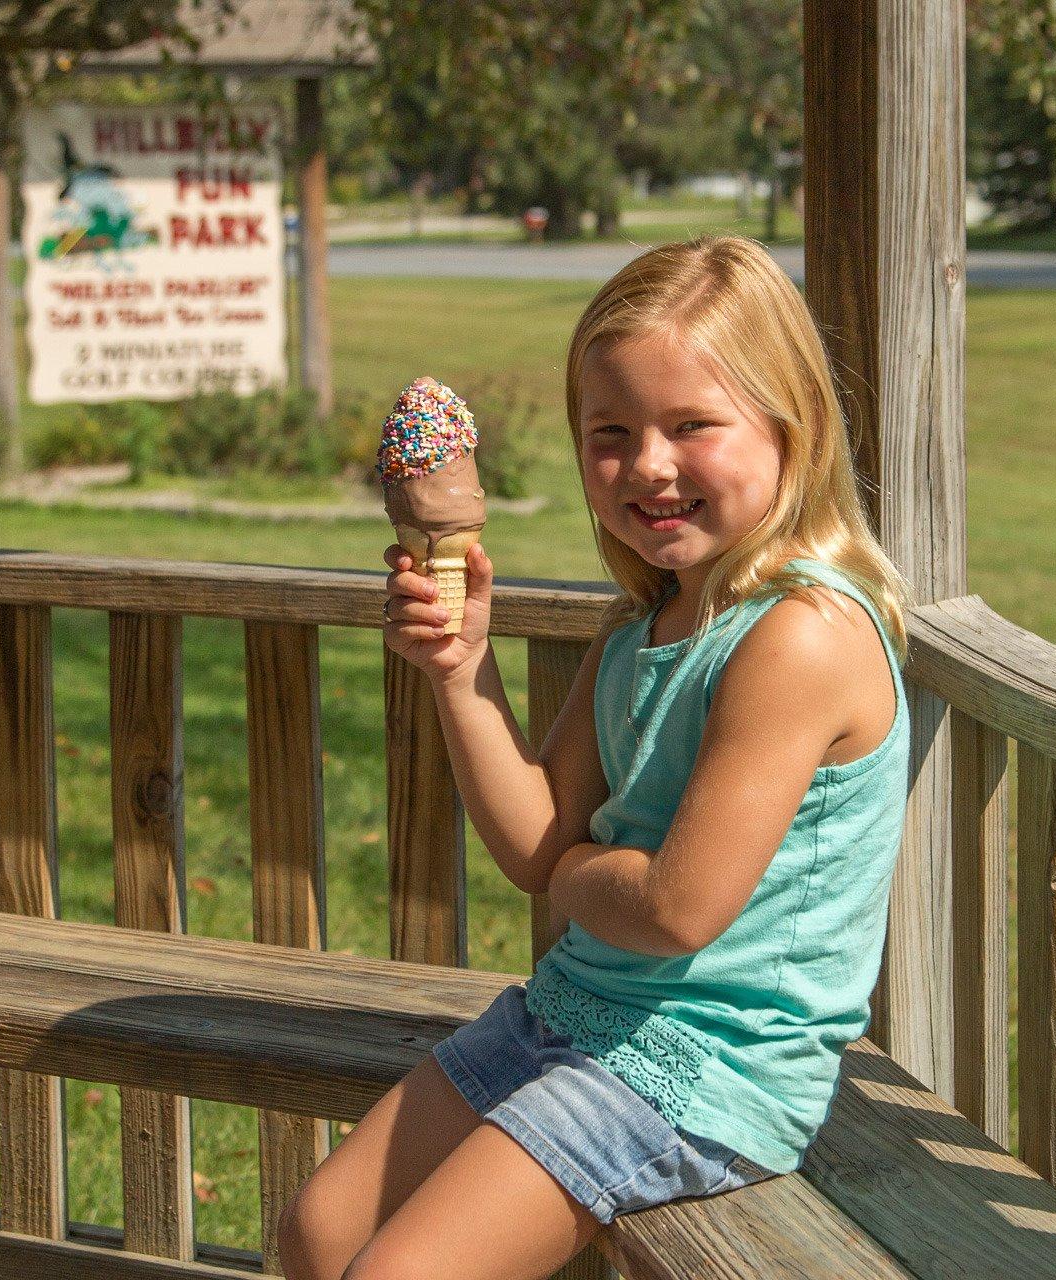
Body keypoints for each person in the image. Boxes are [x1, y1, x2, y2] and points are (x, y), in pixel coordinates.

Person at [278, 235, 912, 1280]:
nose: (650, 464)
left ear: (789, 429)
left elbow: (675, 908)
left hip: (707, 1061)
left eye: (692, 425)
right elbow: (534, 838)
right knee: (318, 1235)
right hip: (572, 1010)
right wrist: (459, 668)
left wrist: (576, 872)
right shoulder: (646, 623)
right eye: (610, 433)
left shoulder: (800, 634)